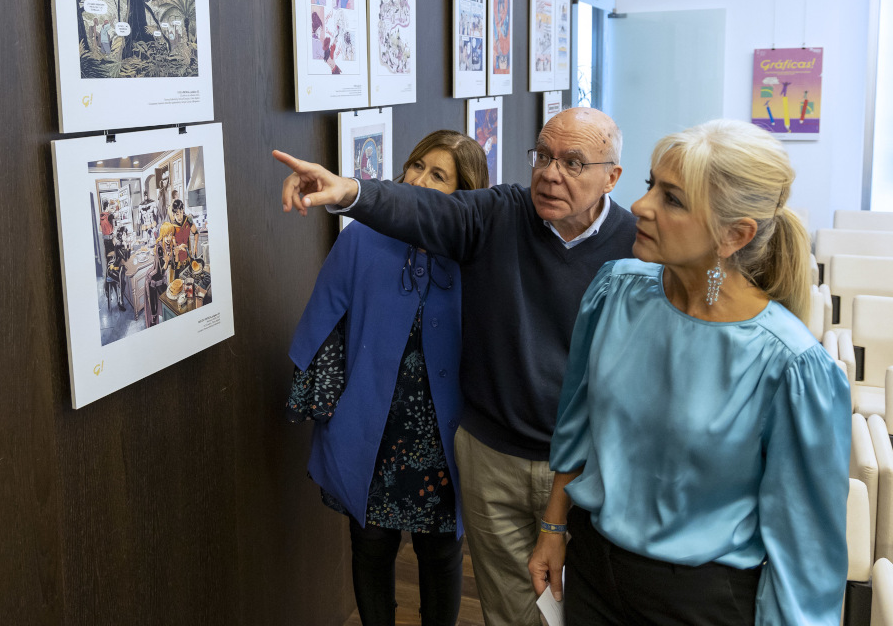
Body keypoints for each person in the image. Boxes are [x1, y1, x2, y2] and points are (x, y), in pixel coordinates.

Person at [276, 108, 637, 626]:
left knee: (576, 598)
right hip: (481, 450)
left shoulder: (634, 249)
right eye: (544, 157)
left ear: (611, 176)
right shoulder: (498, 215)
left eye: (573, 162)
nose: (551, 173)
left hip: (570, 459)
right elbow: (330, 315)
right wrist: (350, 190)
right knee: (499, 602)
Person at [528, 119, 850, 625]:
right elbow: (577, 423)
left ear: (734, 235)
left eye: (672, 199)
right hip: (593, 572)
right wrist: (552, 526)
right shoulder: (616, 290)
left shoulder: (790, 364)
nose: (640, 206)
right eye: (650, 185)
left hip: (700, 600)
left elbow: (804, 551)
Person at [287, 130, 489, 626]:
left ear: (465, 194)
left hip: (445, 433)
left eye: (438, 175)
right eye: (417, 165)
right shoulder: (361, 237)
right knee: (370, 544)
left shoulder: (478, 252)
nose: (418, 179)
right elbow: (325, 322)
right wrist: (321, 405)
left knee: (440, 551)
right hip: (370, 425)